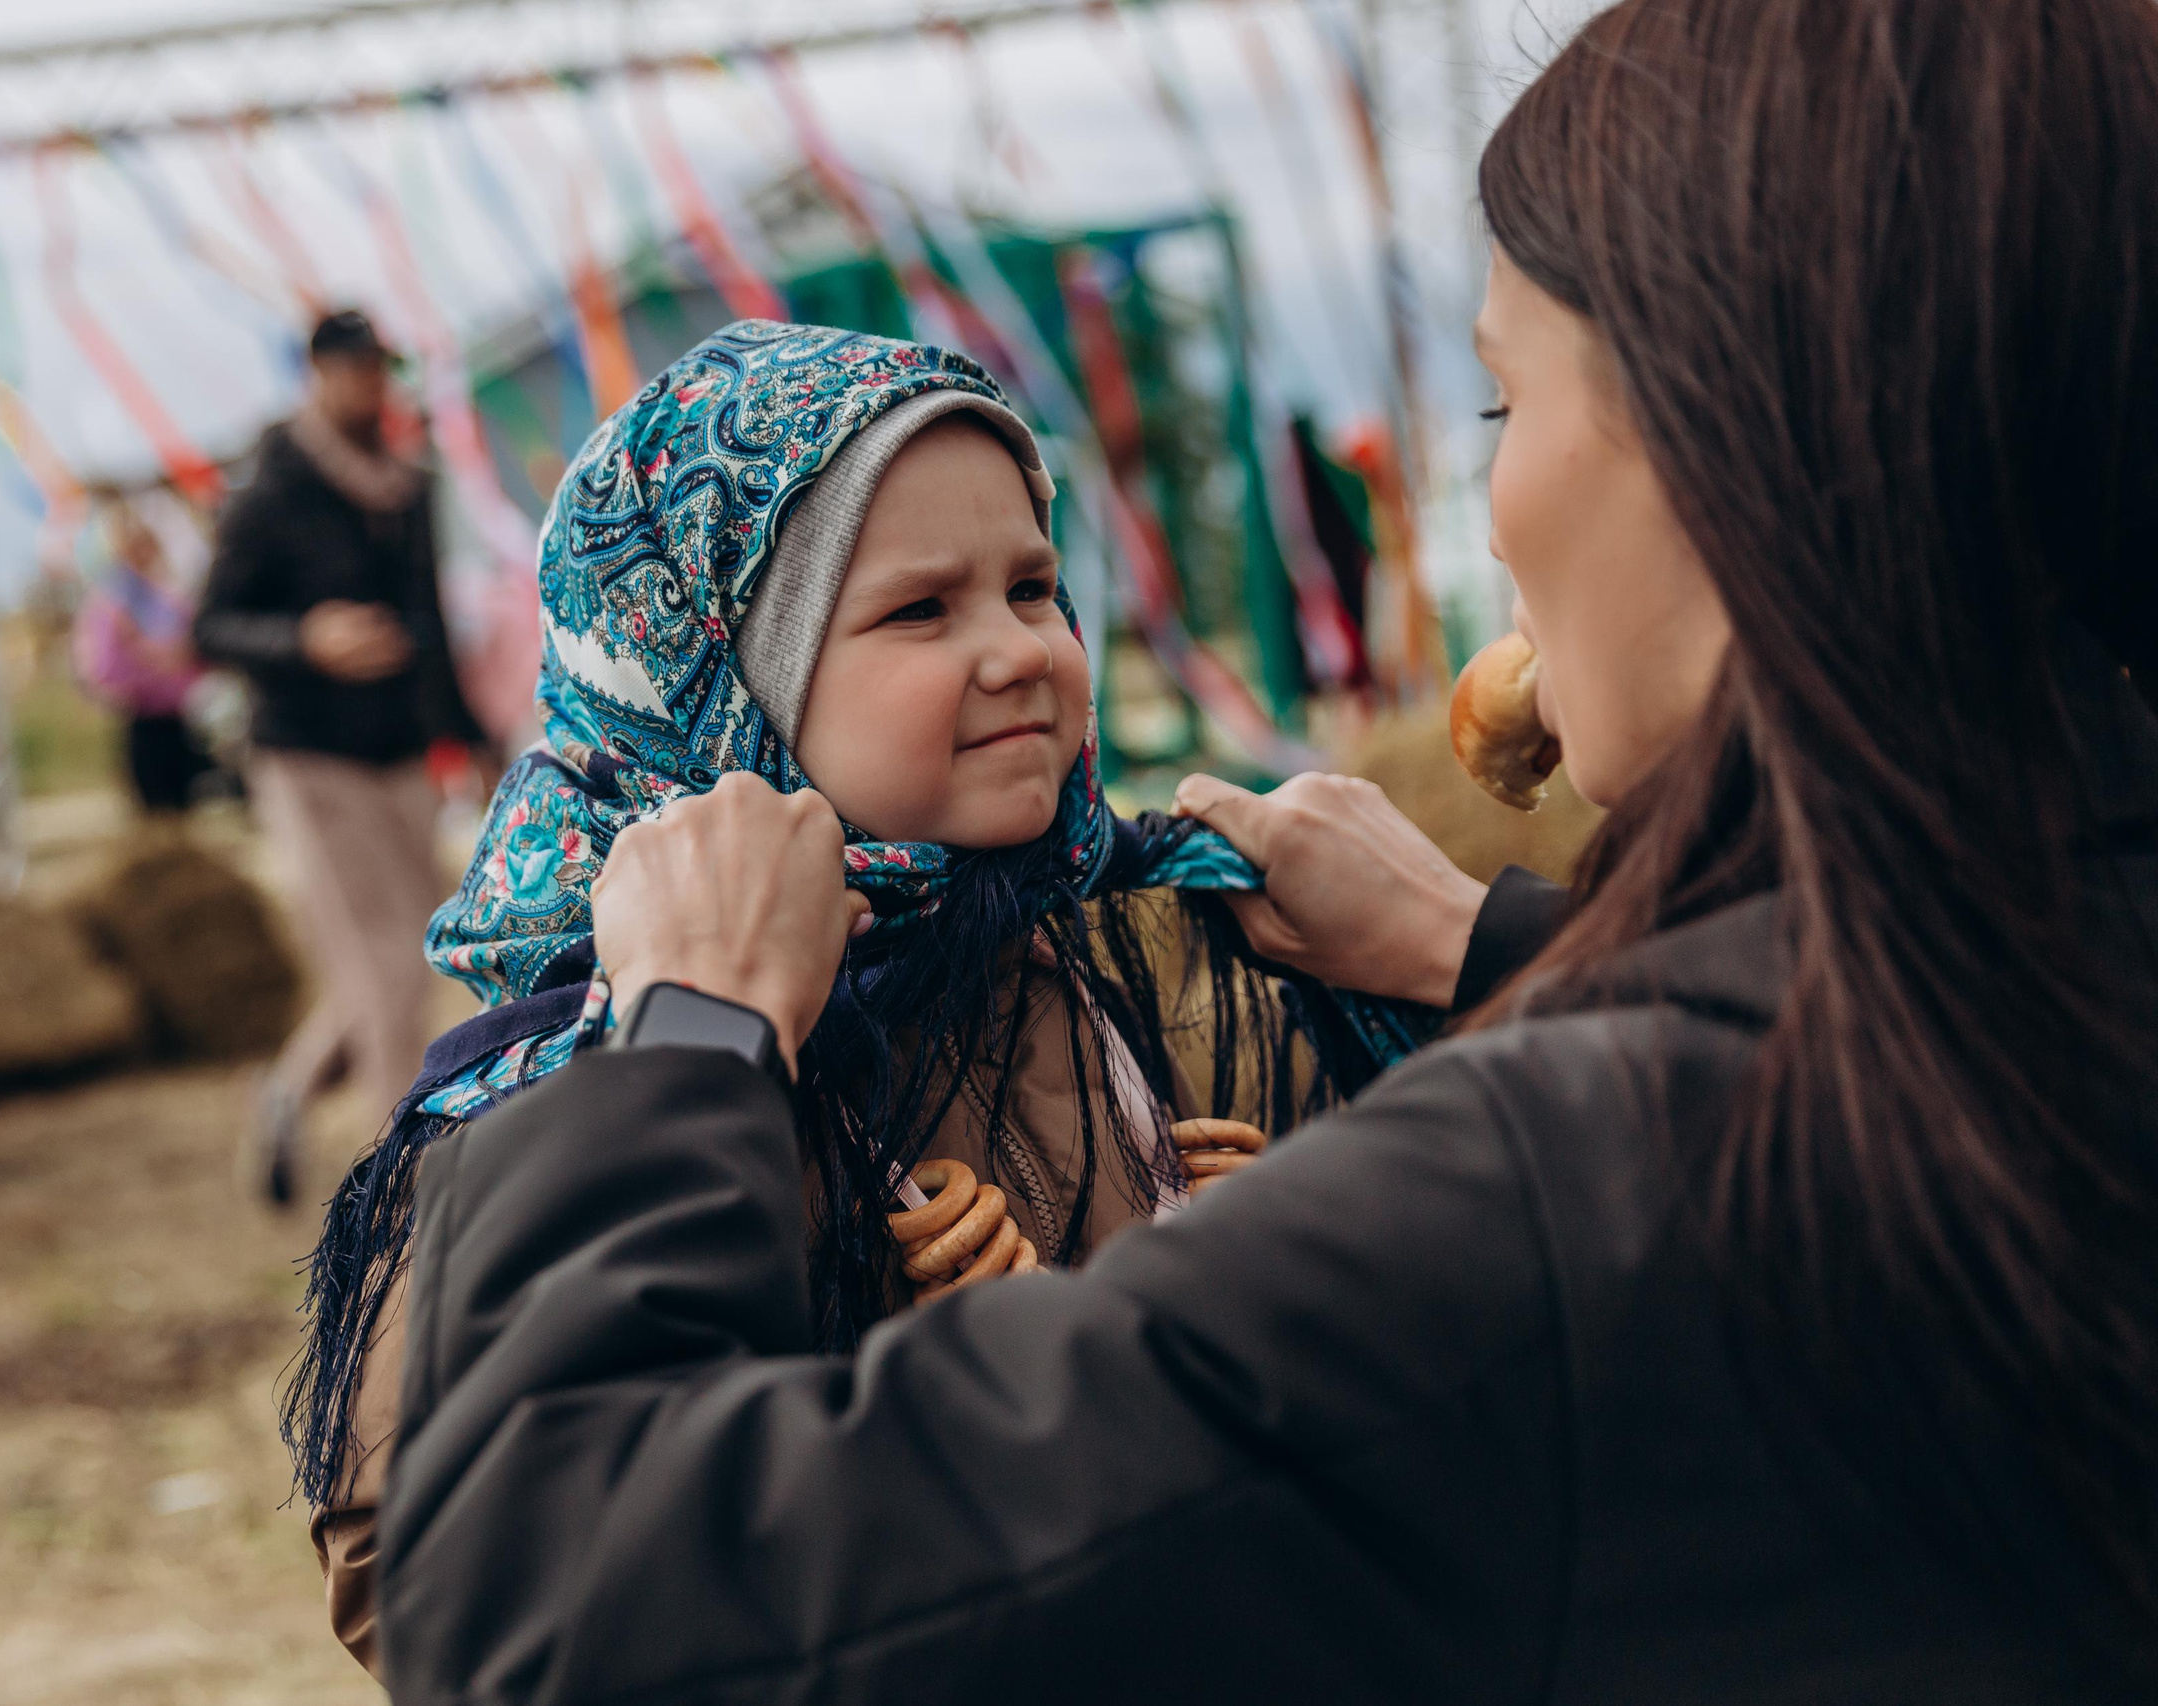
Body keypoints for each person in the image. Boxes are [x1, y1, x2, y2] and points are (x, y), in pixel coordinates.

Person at [368, 0, 2158, 1699]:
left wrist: (688, 1043)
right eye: (914, 608)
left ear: (1737, 451)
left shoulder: (1529, 1188)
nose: (1503, 511)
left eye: (1504, 408)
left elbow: (564, 1605)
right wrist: (1490, 953)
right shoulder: (2041, 992)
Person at [279, 322, 1435, 1676]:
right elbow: (426, 1573)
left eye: (1033, 586)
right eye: (919, 609)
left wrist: (1222, 1268)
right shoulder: (602, 1064)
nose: (1018, 650)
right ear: (724, 680)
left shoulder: (1077, 947)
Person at [196, 309, 485, 1203]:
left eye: (381, 370)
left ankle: (287, 1092)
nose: (372, 386)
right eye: (354, 370)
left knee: (420, 957)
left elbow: (430, 618)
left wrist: (465, 736)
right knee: (386, 970)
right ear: (318, 373)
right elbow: (209, 627)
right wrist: (305, 640)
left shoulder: (406, 486)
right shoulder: (271, 491)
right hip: (309, 758)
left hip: (398, 752)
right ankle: (407, 1196)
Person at [71, 490, 212, 814]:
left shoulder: (170, 599)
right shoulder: (111, 603)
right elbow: (103, 667)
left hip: (180, 715)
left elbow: (197, 649)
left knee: (183, 800)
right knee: (155, 804)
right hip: (142, 719)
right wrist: (153, 668)